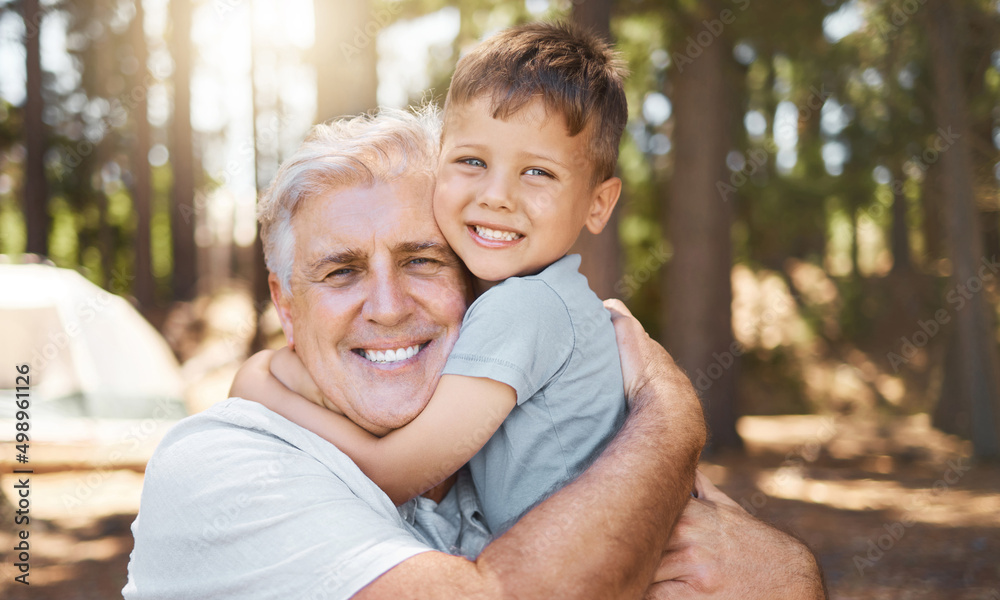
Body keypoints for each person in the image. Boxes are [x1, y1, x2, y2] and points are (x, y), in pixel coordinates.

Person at [123, 108, 825, 599]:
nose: (389, 305)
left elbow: (776, 576)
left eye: (422, 261)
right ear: (284, 303)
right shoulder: (219, 464)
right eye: (340, 272)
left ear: (473, 280)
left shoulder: (503, 438)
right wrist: (673, 417)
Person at [233, 22, 630, 535]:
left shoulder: (525, 309)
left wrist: (264, 389)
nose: (496, 196)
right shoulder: (535, 300)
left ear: (599, 204)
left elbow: (391, 473)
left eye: (538, 172)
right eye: (471, 161)